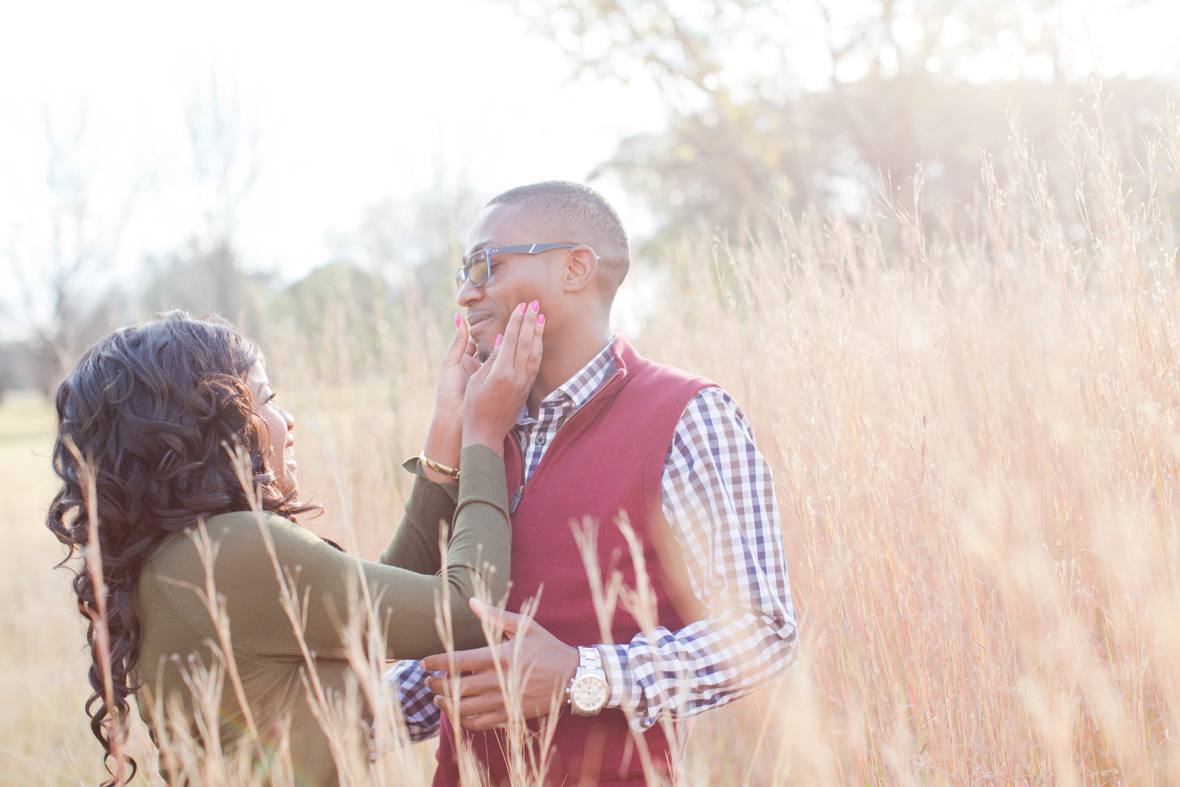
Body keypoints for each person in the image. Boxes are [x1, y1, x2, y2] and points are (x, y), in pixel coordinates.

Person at [387, 181, 799, 785]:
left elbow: (764, 630)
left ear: (575, 267)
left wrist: (587, 674)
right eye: (463, 269)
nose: (466, 289)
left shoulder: (687, 414)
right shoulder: (483, 424)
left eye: (485, 264)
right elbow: (447, 644)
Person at [46, 307, 544, 786]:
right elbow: (464, 611)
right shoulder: (227, 551)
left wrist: (441, 452)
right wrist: (484, 434)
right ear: (212, 427)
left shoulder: (187, 556)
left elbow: (372, 612)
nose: (288, 420)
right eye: (265, 398)